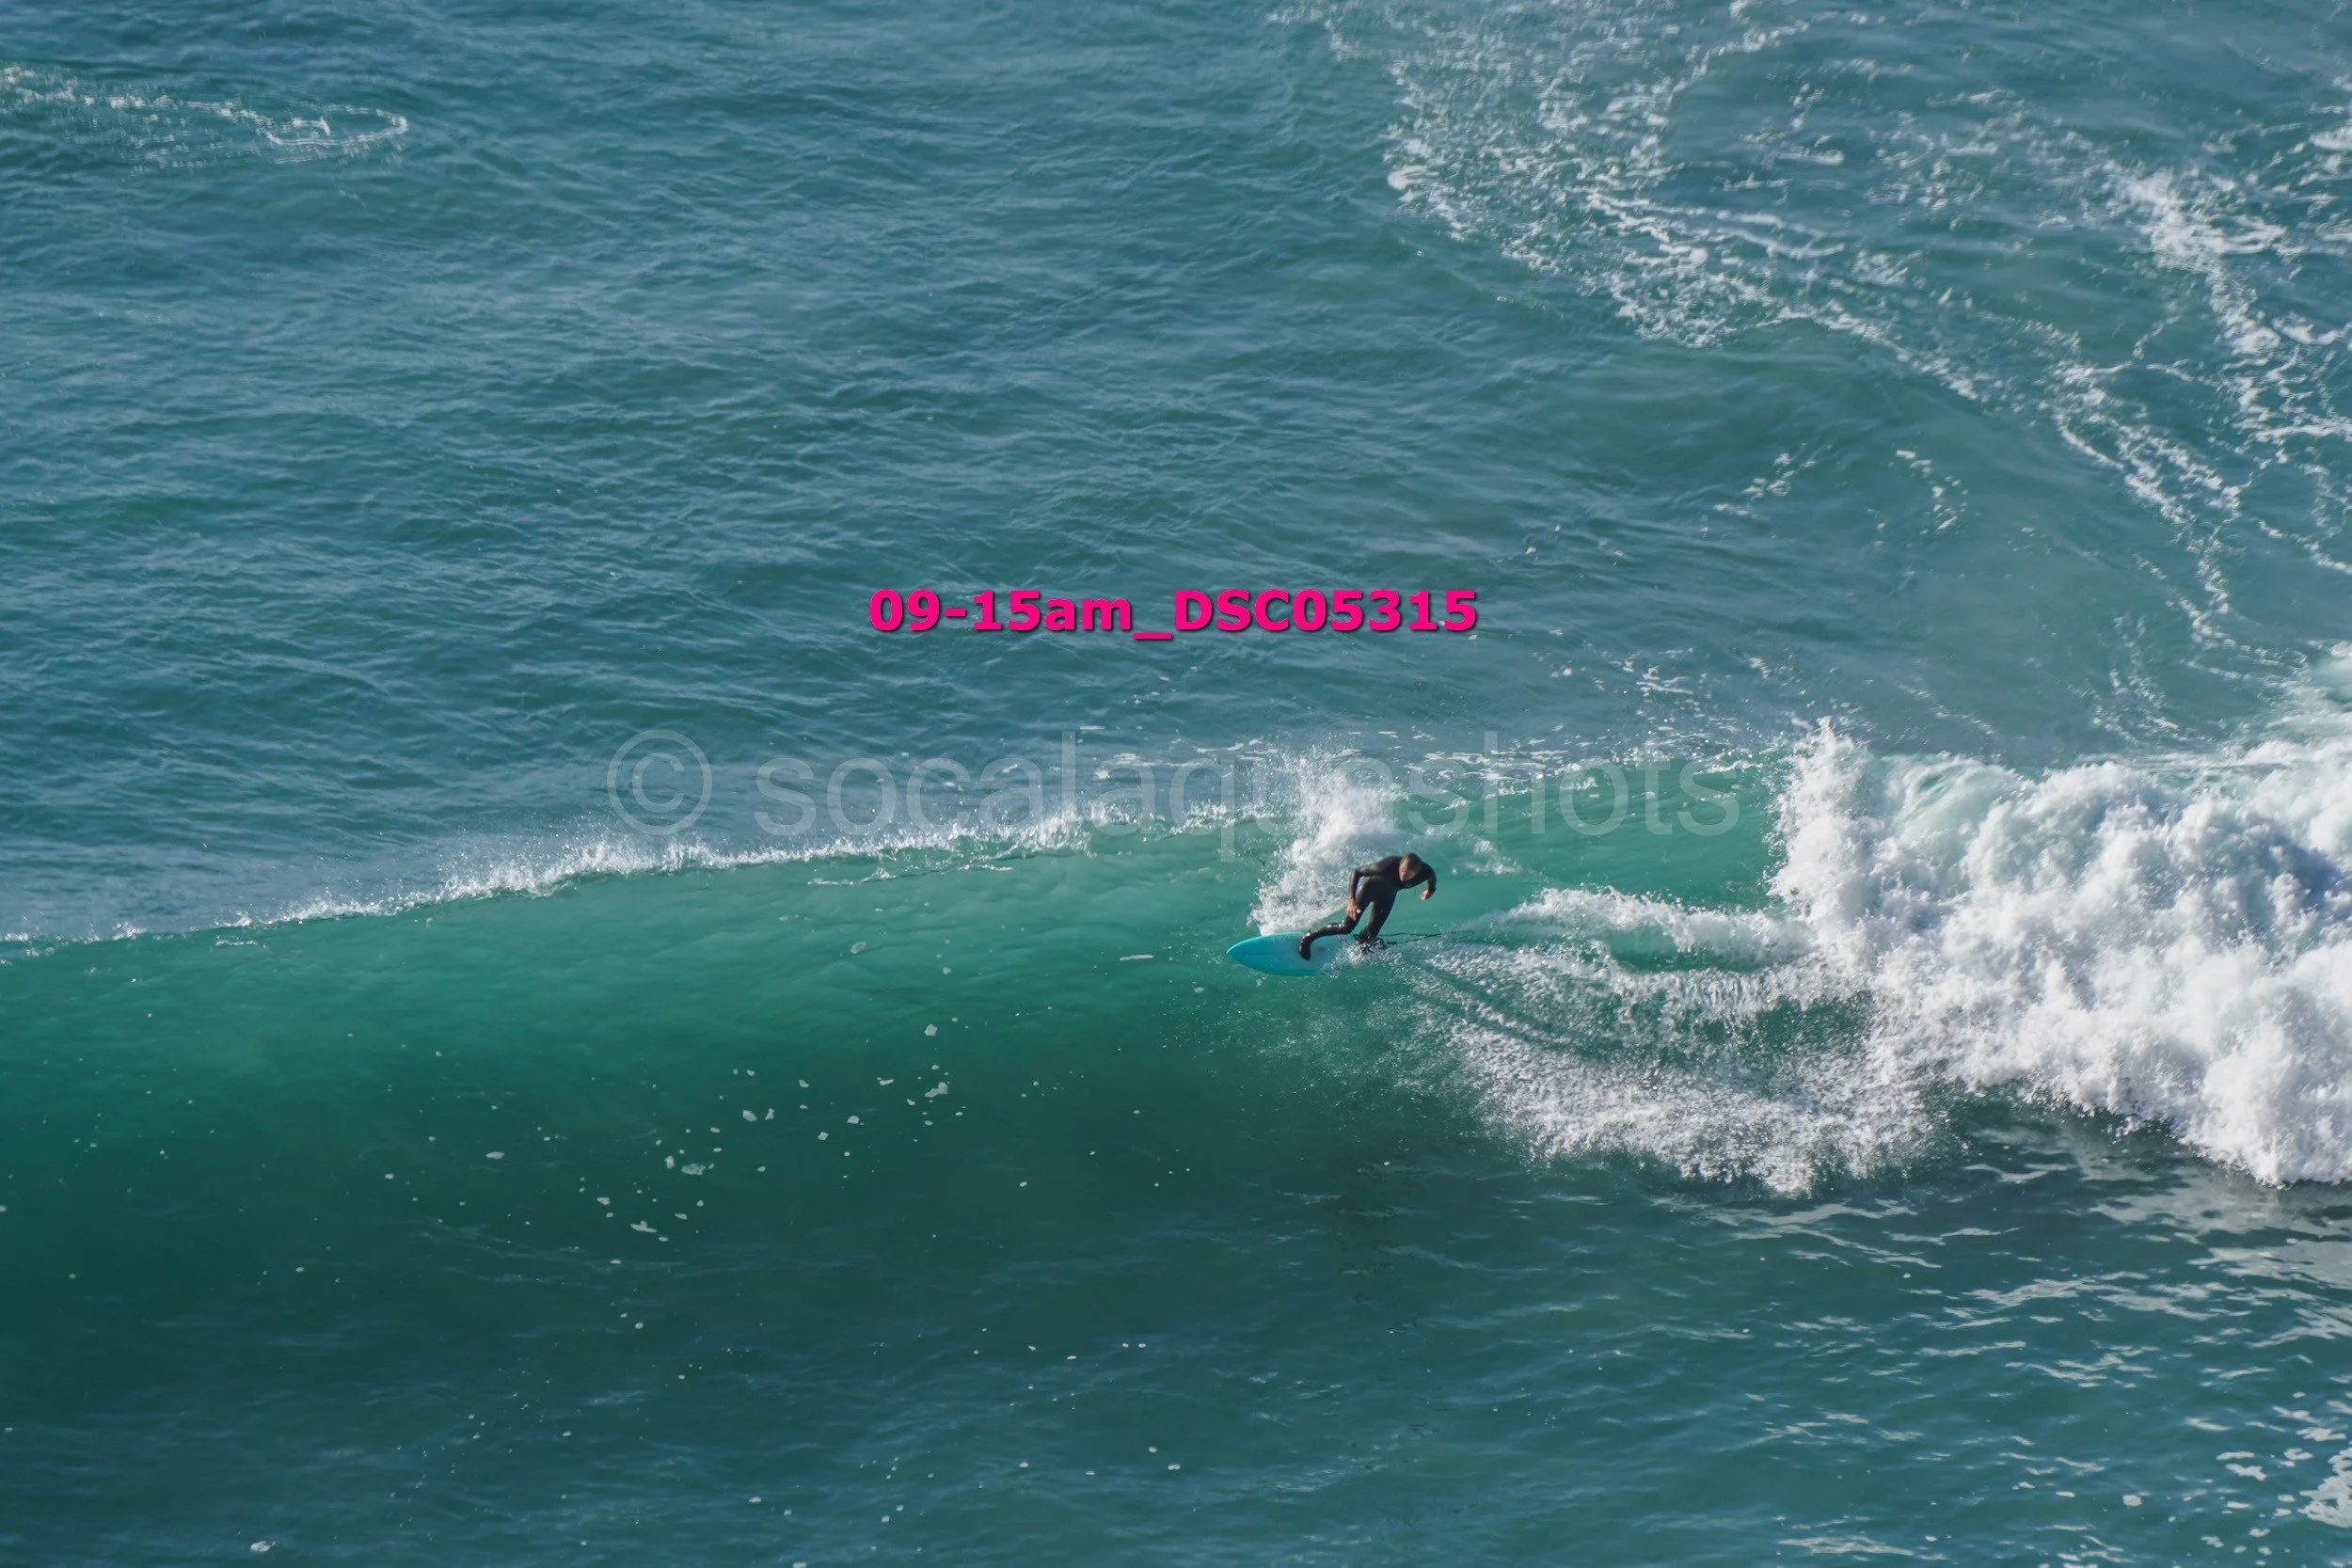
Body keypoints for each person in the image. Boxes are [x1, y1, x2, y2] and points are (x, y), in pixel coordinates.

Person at [1299, 853, 1437, 958]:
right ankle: (1308, 938)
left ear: (1416, 873)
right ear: (1400, 865)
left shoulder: (1426, 872)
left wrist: (1430, 890)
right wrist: (1351, 900)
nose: (1403, 877)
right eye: (1402, 872)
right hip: (1369, 889)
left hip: (1388, 895)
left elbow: (1432, 879)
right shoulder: (1386, 866)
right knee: (1346, 927)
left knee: (1372, 932)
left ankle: (1362, 942)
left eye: (1408, 875)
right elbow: (1356, 872)